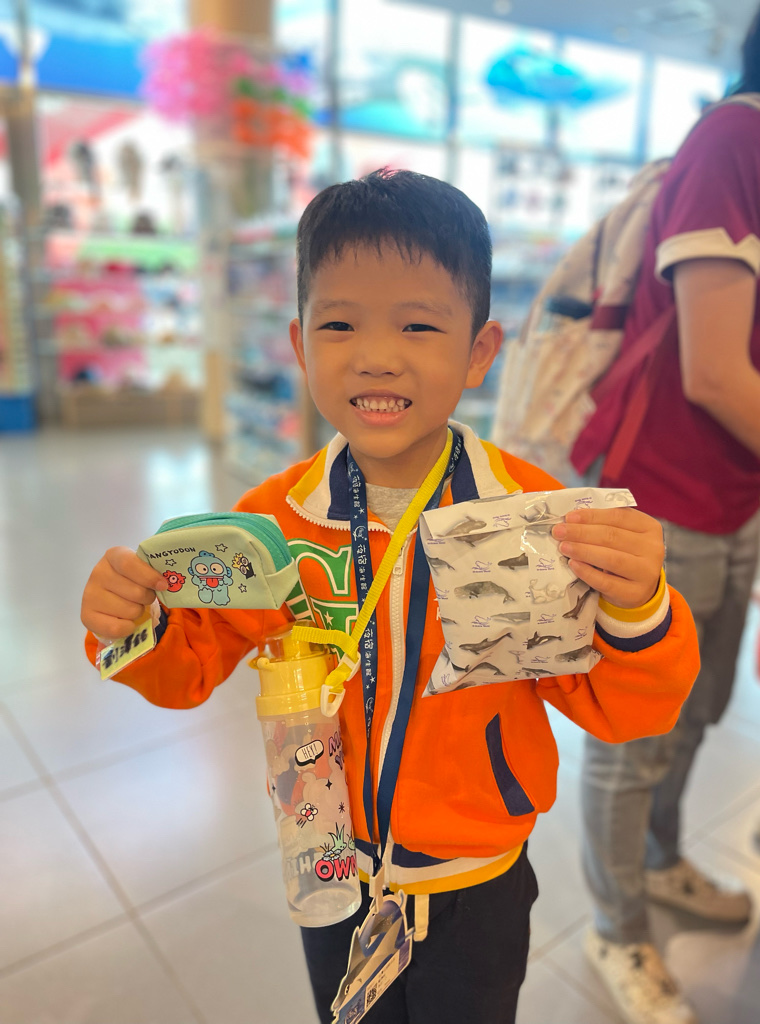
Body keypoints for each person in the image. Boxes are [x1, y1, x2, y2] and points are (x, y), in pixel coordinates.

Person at [80, 169, 699, 1024]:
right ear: (300, 345)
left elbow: (626, 710)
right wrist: (135, 623)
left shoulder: (532, 520)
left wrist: (638, 609)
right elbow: (188, 665)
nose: (375, 354)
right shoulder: (272, 524)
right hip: (328, 862)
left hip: (476, 881)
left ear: (479, 351)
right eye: (339, 324)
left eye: (418, 324)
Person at [577, 5, 760, 1023]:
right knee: (634, 730)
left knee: (696, 710)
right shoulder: (740, 138)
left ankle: (656, 863)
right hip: (657, 502)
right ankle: (617, 929)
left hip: (732, 494)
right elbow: (714, 372)